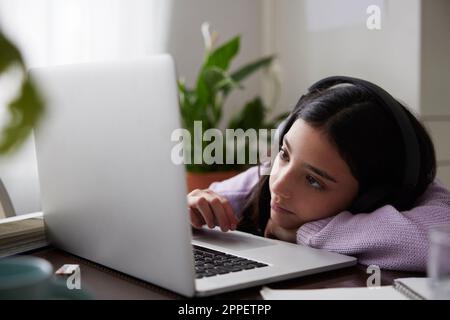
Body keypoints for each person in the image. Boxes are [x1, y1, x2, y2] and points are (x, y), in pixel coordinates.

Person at [187, 77, 450, 272]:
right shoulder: (268, 177)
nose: (278, 185)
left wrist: (308, 233)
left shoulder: (412, 193)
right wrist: (193, 209)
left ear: (372, 198)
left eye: (313, 180)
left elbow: (437, 243)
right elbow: (210, 201)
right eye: (285, 154)